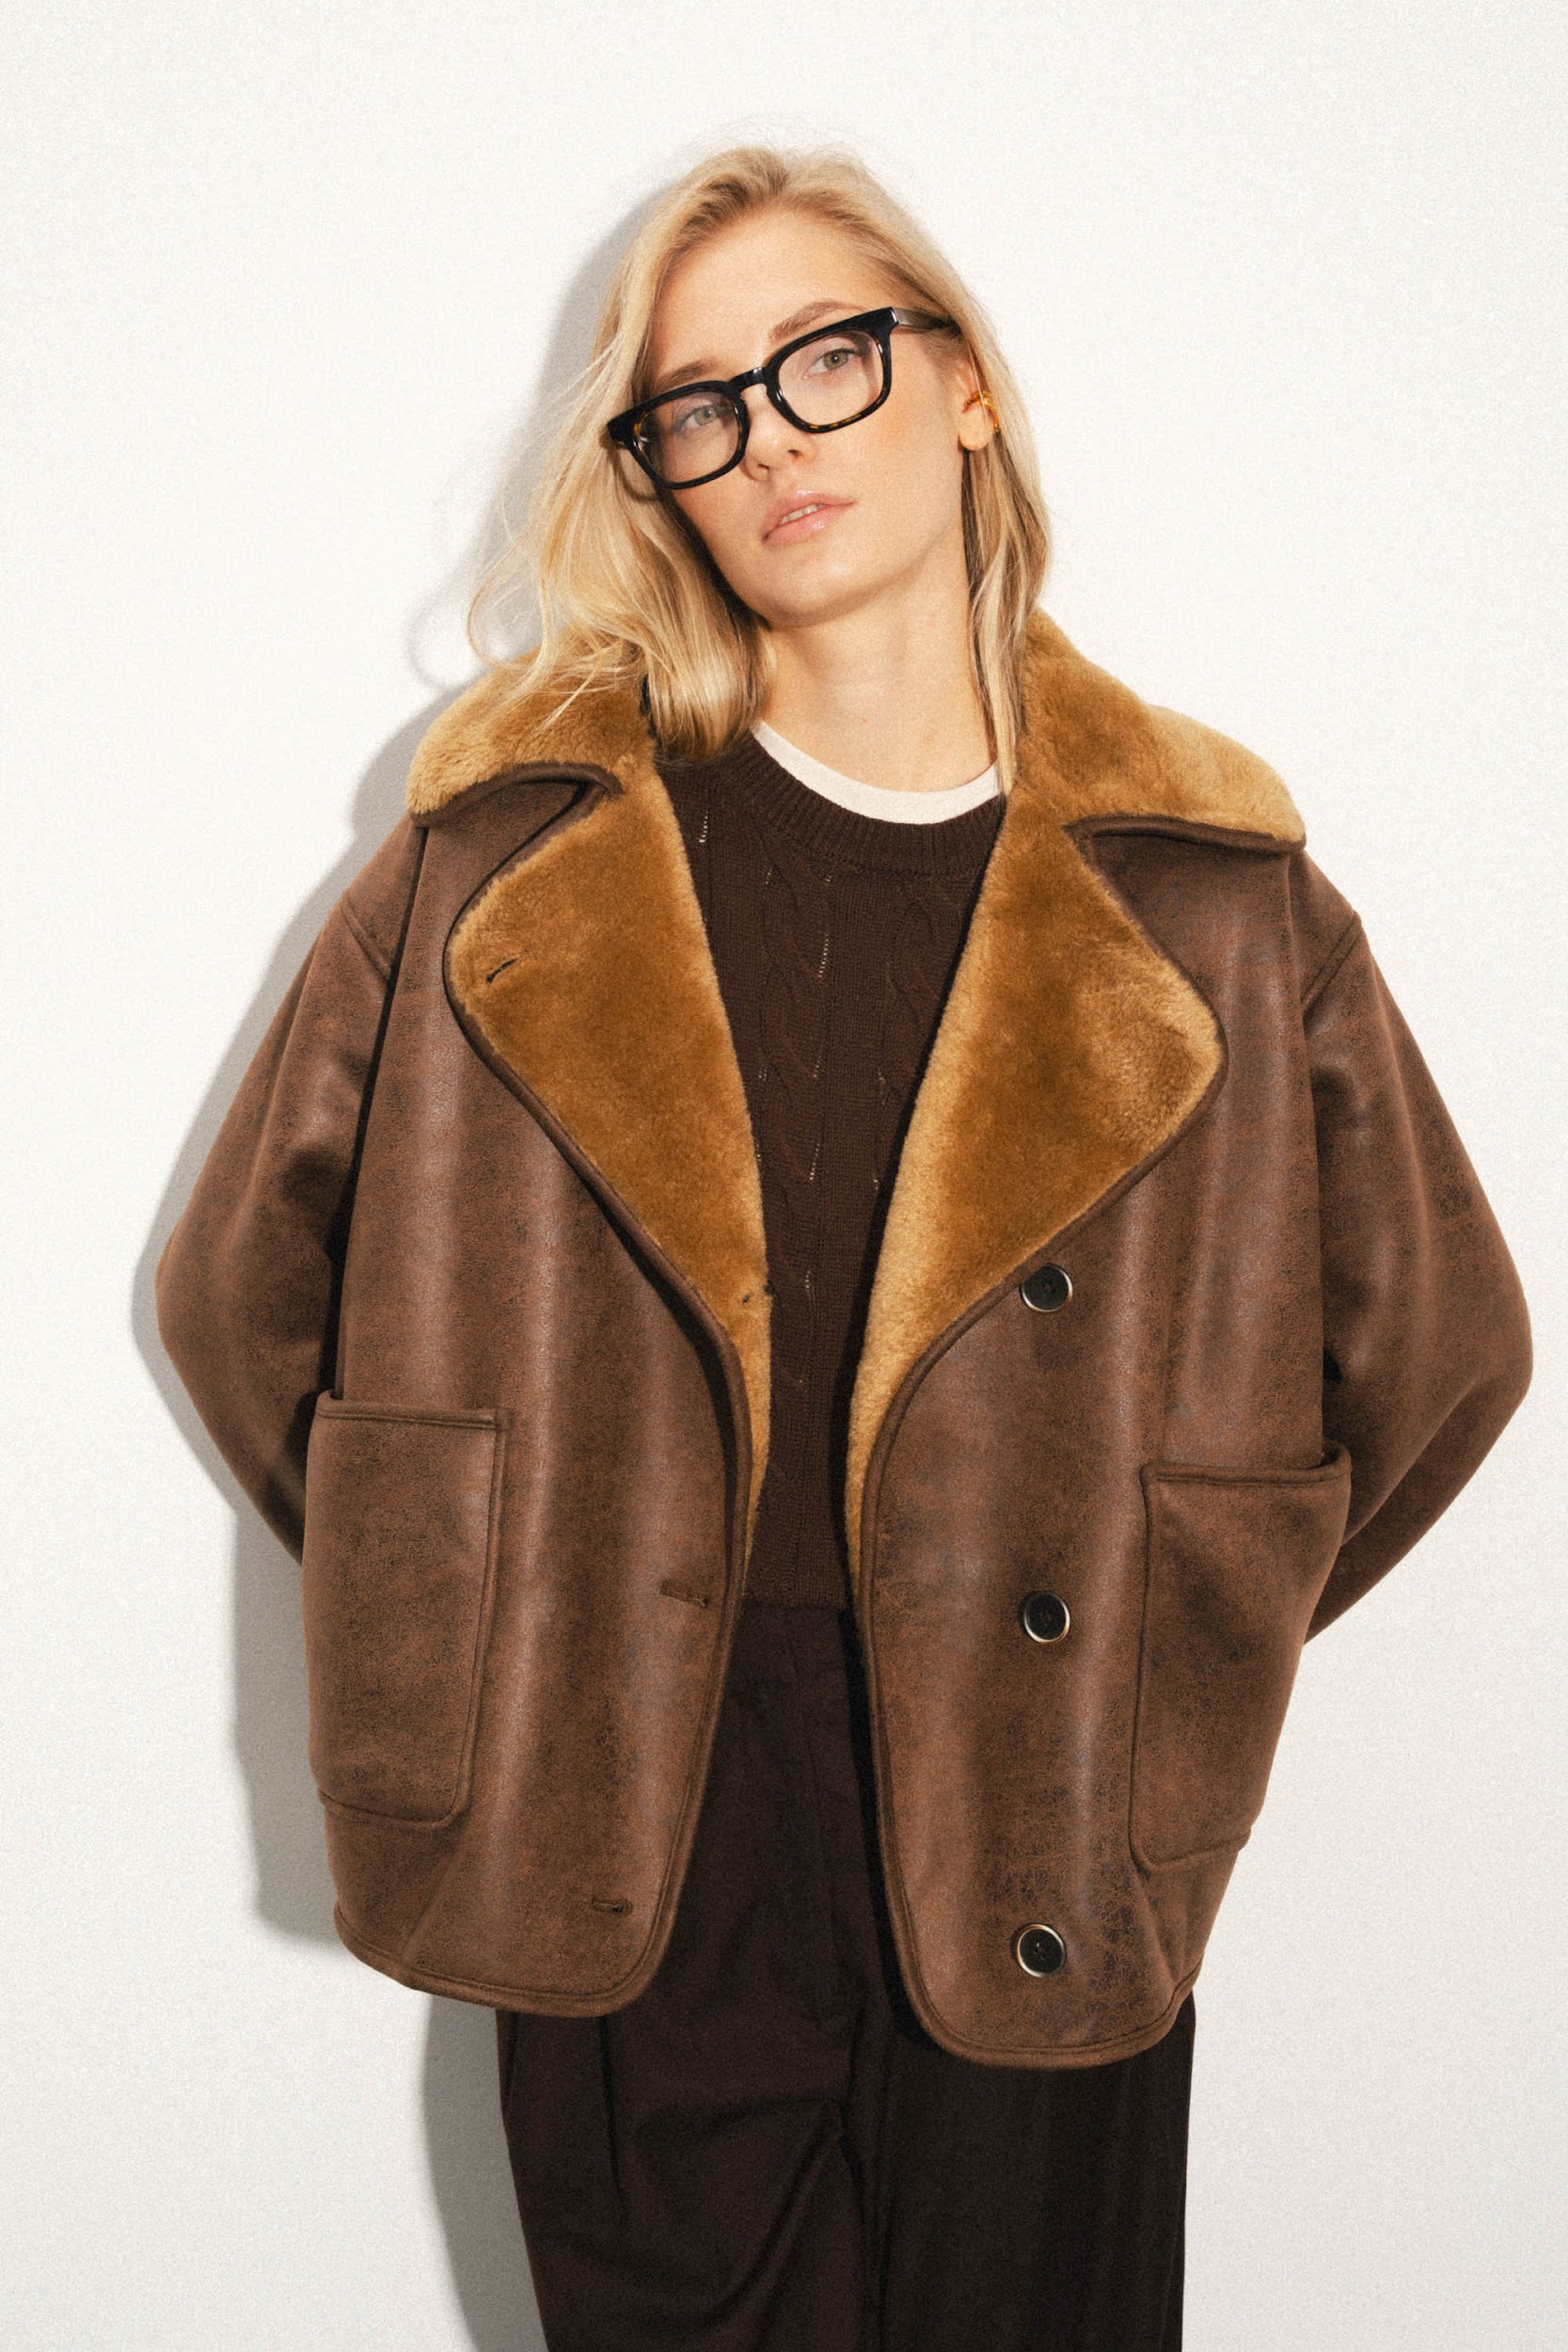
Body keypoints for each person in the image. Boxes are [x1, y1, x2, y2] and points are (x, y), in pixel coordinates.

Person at [155, 144, 1533, 2352]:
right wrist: (490, 1608)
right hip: (632, 1797)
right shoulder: (521, 855)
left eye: (826, 358)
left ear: (963, 381)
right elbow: (241, 1291)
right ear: (660, 477)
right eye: (700, 406)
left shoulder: (1209, 889)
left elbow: (1441, 1348)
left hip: (1043, 1803)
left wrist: (1159, 1638)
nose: (773, 438)